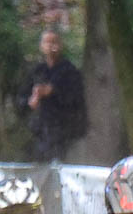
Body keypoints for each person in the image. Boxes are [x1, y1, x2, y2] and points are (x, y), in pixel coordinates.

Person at [22, 30, 86, 163]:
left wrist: (54, 92)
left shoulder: (69, 71)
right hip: (40, 130)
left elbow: (77, 99)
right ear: (41, 46)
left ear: (60, 45)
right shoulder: (37, 71)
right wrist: (31, 101)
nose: (51, 46)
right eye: (47, 42)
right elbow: (23, 98)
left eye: (54, 42)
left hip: (64, 130)